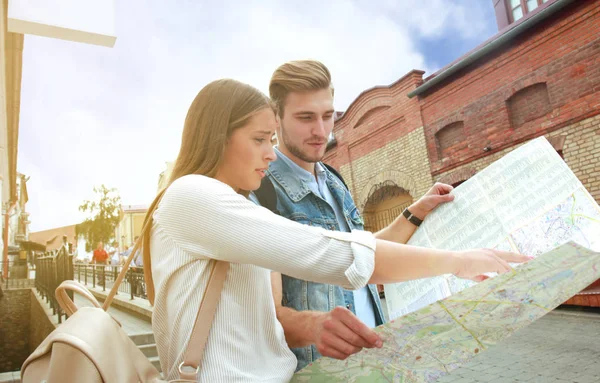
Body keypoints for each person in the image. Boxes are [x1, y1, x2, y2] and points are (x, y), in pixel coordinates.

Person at [137, 78, 529, 382]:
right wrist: (458, 262)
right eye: (259, 139)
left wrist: (314, 324)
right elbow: (329, 251)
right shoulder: (192, 196)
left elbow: (257, 317)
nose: (271, 153)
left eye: (272, 140)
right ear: (215, 137)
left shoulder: (233, 207)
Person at [256, 60, 459, 369]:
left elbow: (362, 256)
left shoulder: (334, 179)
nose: (320, 131)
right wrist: (315, 326)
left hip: (375, 360)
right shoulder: (261, 188)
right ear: (276, 117)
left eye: (328, 116)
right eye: (305, 117)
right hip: (322, 371)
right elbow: (264, 317)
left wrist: (416, 211)